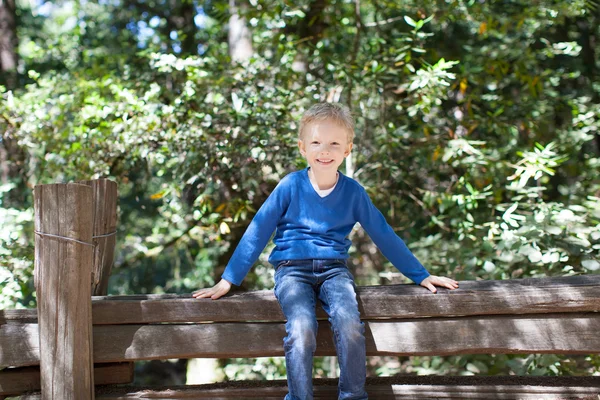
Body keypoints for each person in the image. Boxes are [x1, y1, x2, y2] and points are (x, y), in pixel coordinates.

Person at [193, 103, 459, 400]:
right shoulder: (290, 186)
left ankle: (353, 396)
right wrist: (229, 279)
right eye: (317, 142)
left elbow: (384, 234)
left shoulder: (353, 192)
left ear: (347, 150)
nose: (325, 150)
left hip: (334, 271)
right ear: (303, 148)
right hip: (292, 270)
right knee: (302, 327)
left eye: (334, 143)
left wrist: (420, 274)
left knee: (349, 326)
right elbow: (258, 230)